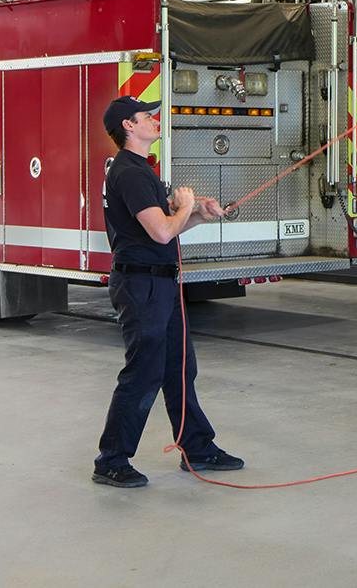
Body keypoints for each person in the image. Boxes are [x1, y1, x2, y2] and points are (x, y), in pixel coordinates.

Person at [93, 95, 243, 488]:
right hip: (142, 286)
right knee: (143, 373)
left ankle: (197, 447)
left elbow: (164, 227)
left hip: (159, 281)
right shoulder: (129, 173)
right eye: (147, 117)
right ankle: (111, 459)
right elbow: (161, 231)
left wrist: (197, 214)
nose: (155, 121)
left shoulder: (143, 171)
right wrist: (185, 205)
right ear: (128, 126)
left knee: (179, 368)